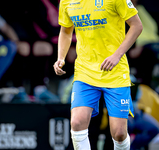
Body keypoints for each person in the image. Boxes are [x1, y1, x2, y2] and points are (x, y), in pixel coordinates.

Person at [53, 0, 143, 150]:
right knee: (77, 122)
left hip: (114, 73)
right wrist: (61, 57)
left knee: (119, 133)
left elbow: (137, 26)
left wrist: (117, 55)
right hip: (85, 72)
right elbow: (66, 30)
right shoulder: (66, 1)